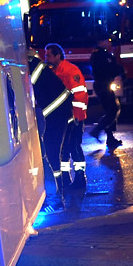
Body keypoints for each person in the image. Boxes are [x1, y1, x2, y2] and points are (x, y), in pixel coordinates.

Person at [43, 43, 89, 187]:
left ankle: (80, 178)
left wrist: (75, 116)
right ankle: (65, 178)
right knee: (63, 148)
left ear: (58, 55)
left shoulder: (70, 70)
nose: (46, 58)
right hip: (63, 117)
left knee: (73, 146)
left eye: (48, 55)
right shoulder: (54, 71)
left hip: (74, 117)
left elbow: (80, 95)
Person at [30, 49, 72, 205]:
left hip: (56, 114)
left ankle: (56, 198)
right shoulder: (32, 64)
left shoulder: (29, 68)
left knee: (50, 154)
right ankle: (57, 193)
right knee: (51, 153)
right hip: (59, 112)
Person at [88, 36, 124, 148]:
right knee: (113, 110)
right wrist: (121, 71)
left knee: (110, 110)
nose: (109, 43)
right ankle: (97, 130)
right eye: (108, 41)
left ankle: (110, 138)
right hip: (103, 85)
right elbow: (111, 68)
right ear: (102, 42)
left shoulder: (98, 54)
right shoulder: (102, 55)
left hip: (102, 84)